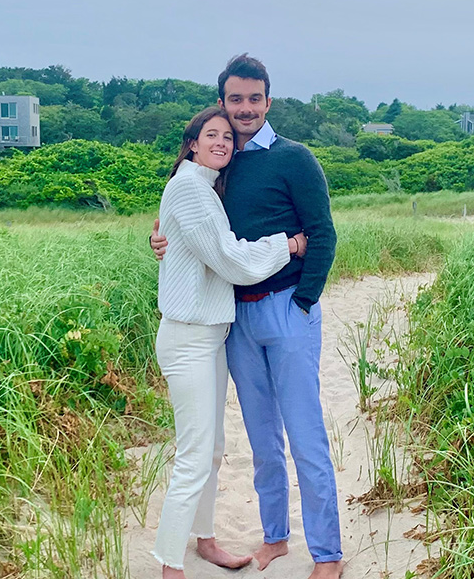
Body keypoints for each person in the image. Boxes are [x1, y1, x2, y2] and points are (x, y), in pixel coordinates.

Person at [152, 55, 344, 579]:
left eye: (254, 98)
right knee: (261, 440)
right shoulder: (220, 165)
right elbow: (194, 225)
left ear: (268, 101)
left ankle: (327, 554)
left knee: (305, 436)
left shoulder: (295, 158)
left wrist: (303, 302)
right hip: (235, 320)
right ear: (222, 103)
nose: (244, 108)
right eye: (234, 99)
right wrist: (161, 236)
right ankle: (275, 538)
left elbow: (322, 233)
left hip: (287, 311)